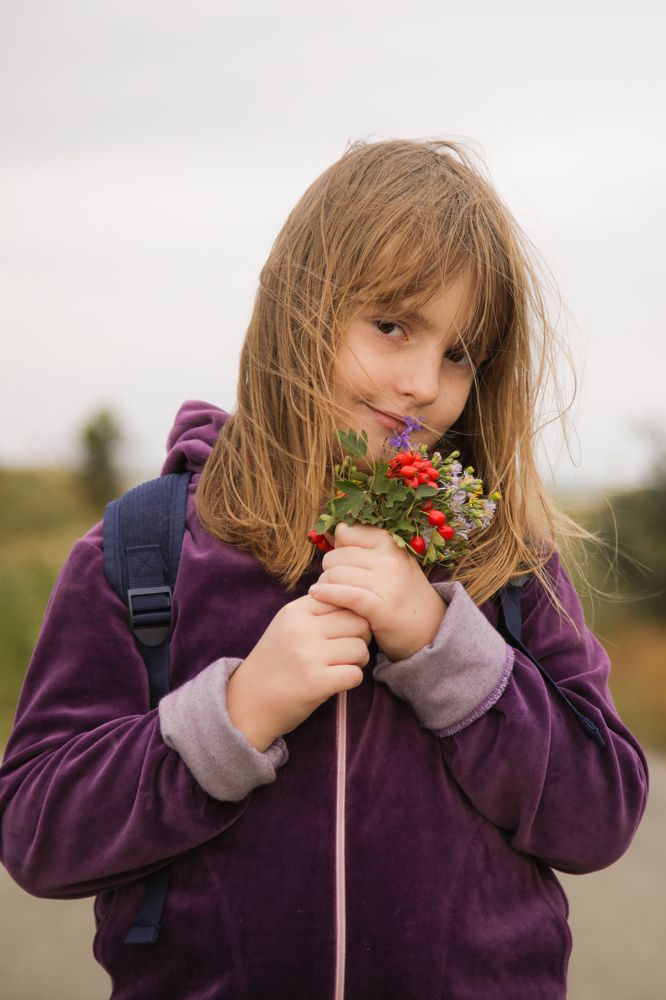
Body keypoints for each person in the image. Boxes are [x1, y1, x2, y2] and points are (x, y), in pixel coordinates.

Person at [0, 139, 649, 1000]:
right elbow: (37, 833)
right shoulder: (144, 551)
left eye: (461, 354)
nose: (423, 383)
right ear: (298, 310)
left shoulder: (501, 556)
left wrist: (445, 649)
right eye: (393, 325)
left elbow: (600, 815)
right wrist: (235, 715)